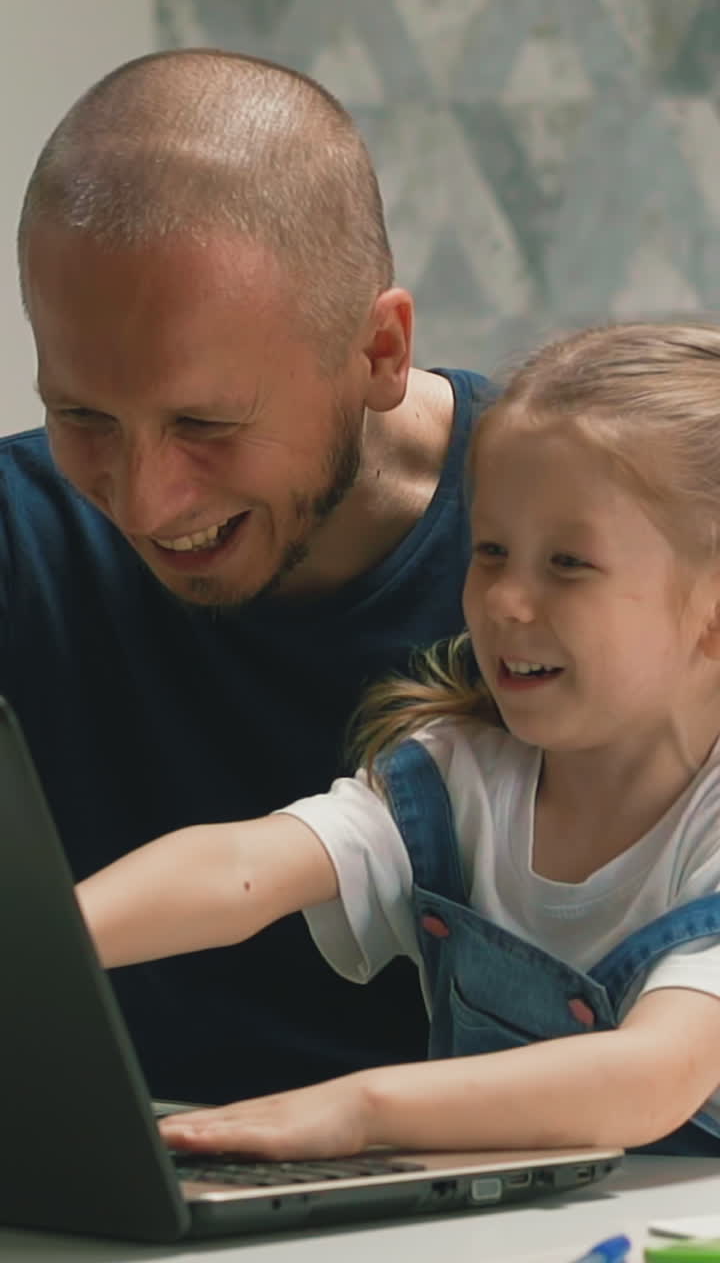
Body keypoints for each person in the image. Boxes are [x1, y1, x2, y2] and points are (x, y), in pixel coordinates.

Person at [79, 321, 720, 1160]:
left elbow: (651, 1075)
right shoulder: (457, 779)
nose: (505, 602)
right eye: (490, 551)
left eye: (567, 563)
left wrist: (359, 1114)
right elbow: (243, 869)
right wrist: (55, 935)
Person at [10, 48, 495, 1104]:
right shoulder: (21, 533)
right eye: (83, 415)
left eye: (206, 423)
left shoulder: (590, 551)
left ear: (380, 350)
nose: (144, 503)